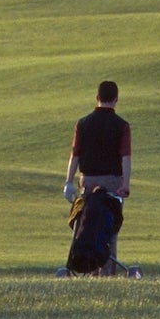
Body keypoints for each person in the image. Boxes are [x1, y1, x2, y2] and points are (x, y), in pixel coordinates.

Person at [62, 79, 133, 277]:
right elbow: (125, 157)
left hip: (88, 181)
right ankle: (107, 272)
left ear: (97, 98)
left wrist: (68, 181)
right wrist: (125, 184)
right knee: (109, 226)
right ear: (116, 99)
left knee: (86, 224)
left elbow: (75, 155)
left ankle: (86, 267)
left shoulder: (83, 124)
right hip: (112, 182)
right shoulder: (122, 126)